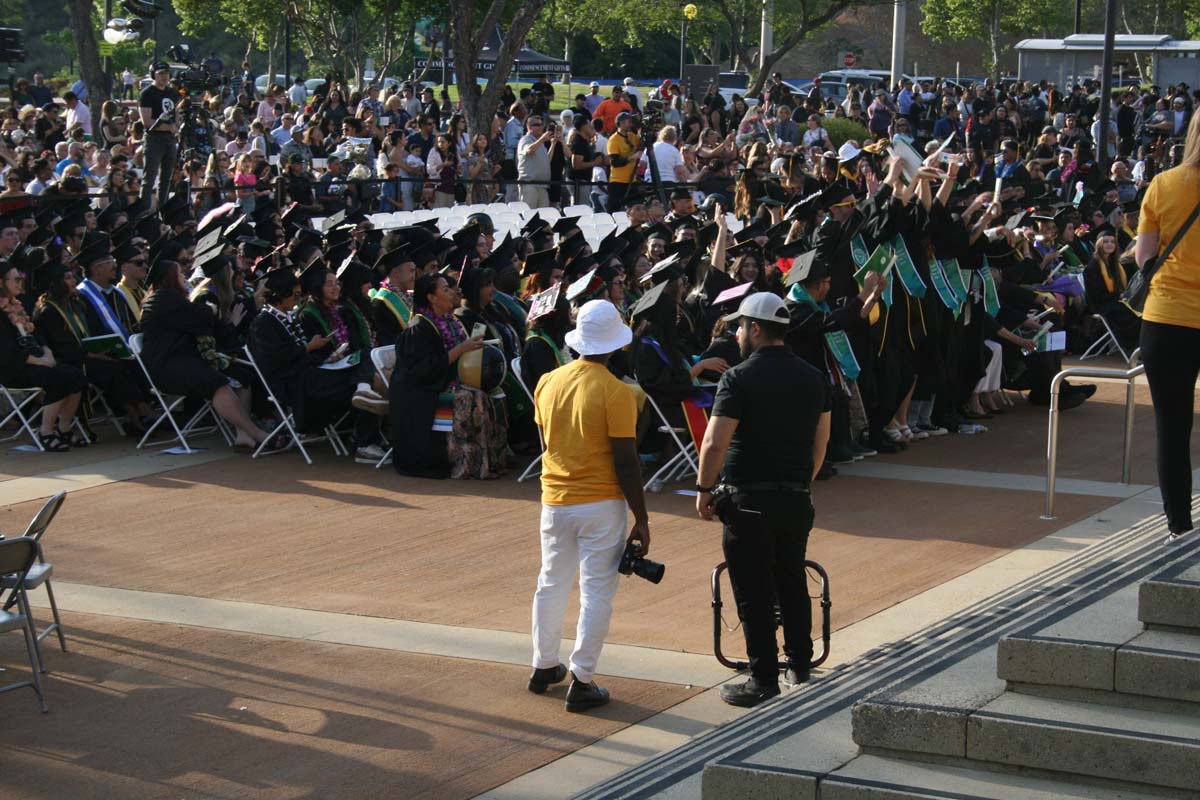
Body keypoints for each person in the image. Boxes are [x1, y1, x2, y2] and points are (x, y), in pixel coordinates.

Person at [695, 291, 830, 707]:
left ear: (755, 329)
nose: (736, 333)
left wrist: (703, 490)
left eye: (740, 326)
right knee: (790, 579)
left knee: (753, 589)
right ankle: (800, 664)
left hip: (748, 498)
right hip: (795, 497)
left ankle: (763, 676)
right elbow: (820, 443)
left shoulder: (738, 377)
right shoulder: (813, 376)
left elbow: (715, 442)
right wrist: (800, 480)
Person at [528, 298, 648, 713]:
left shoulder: (548, 381)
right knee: (596, 592)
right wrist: (642, 516)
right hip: (600, 502)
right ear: (616, 344)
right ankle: (582, 677)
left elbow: (547, 443)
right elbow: (626, 460)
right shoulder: (617, 392)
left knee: (551, 582)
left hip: (554, 498)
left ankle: (544, 665)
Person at [1134, 111, 1200, 544]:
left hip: (1167, 317)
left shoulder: (1165, 183)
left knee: (1172, 427)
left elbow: (1143, 257)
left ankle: (1179, 525)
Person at [0, 261, 87, 451]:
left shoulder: (16, 305)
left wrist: (46, 352)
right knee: (58, 379)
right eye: (15, 279)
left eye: (20, 278)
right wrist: (40, 360)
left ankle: (64, 428)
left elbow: (36, 334)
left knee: (77, 376)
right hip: (12, 369)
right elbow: (6, 352)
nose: (19, 282)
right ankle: (45, 432)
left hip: (35, 361)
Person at [138, 62, 180, 211]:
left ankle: (163, 209)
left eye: (166, 73)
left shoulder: (172, 93)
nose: (164, 77)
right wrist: (168, 127)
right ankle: (143, 210)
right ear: (153, 75)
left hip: (169, 138)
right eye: (161, 73)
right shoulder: (147, 93)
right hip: (154, 138)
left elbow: (176, 114)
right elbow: (147, 121)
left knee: (167, 179)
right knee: (149, 178)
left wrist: (176, 126)